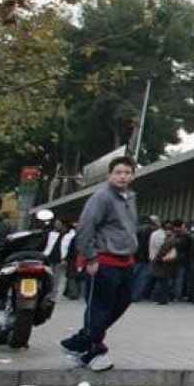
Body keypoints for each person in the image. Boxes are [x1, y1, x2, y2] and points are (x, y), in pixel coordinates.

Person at [60, 155, 139, 371]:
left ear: (133, 175)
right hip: (103, 261)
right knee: (99, 308)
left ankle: (79, 342)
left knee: (122, 302)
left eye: (127, 172)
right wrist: (90, 257)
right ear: (110, 175)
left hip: (126, 262)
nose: (123, 176)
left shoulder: (130, 197)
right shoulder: (102, 197)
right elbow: (85, 227)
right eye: (118, 172)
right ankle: (95, 350)